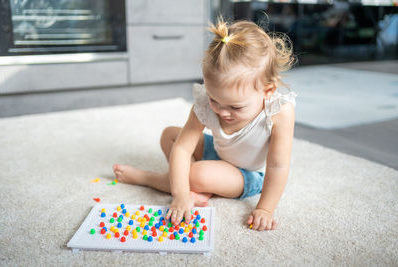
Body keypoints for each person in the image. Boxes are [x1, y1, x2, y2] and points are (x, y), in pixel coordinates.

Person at [113, 17, 296, 231]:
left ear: (267, 91)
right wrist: (180, 196)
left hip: (246, 175)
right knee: (170, 135)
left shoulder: (279, 112)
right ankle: (193, 189)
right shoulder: (206, 104)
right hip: (216, 152)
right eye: (214, 100)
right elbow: (182, 148)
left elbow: (277, 166)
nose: (222, 111)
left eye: (235, 107)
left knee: (194, 174)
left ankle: (149, 178)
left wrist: (265, 208)